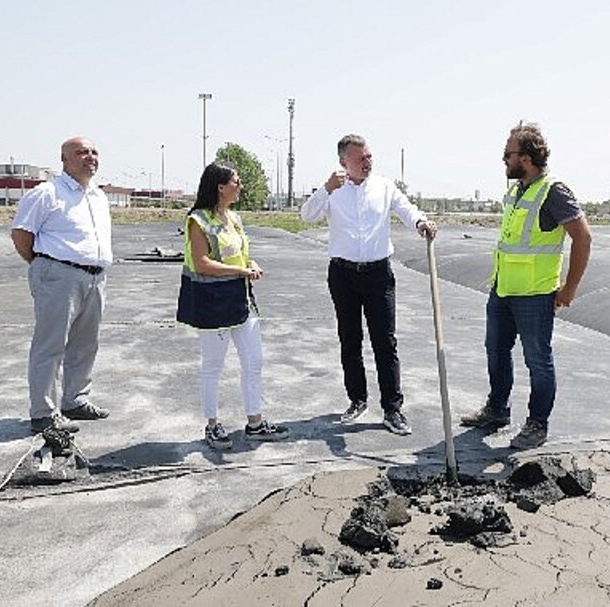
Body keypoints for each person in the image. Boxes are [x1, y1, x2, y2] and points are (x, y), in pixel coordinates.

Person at [460, 122, 592, 449]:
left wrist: (570, 287)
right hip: (503, 290)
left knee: (538, 360)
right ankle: (496, 410)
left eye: (509, 154)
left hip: (535, 294)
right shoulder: (518, 190)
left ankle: (537, 424)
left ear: (528, 157)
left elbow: (583, 237)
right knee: (495, 350)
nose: (504, 159)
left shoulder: (554, 191)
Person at [300, 134, 437, 436]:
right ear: (343, 162)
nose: (367, 163)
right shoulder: (333, 191)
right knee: (350, 340)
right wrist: (325, 189)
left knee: (385, 342)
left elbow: (406, 209)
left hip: (378, 275)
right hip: (343, 275)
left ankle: (392, 408)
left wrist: (421, 223)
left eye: (369, 157)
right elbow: (306, 215)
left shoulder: (384, 186)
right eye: (360, 158)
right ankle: (357, 399)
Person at [176, 161, 289, 449]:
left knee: (254, 361)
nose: (240, 186)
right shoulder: (198, 220)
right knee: (213, 365)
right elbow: (202, 263)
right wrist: (241, 271)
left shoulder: (234, 218)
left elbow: (239, 254)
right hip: (212, 304)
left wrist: (250, 263)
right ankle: (212, 424)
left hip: (241, 300)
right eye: (236, 181)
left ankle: (255, 422)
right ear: (220, 186)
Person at [11, 137, 112, 434]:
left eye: (94, 152)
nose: (89, 157)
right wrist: (44, 266)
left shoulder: (97, 195)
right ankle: (43, 413)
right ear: (64, 159)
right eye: (81, 152)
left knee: (85, 344)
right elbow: (21, 234)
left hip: (95, 277)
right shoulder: (47, 193)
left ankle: (75, 401)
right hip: (59, 275)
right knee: (50, 344)